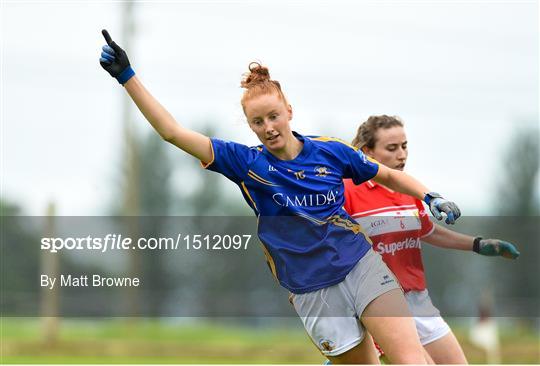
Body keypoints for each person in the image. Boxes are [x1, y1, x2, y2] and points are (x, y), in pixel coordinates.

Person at [99, 30, 463, 364]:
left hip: (360, 265)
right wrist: (127, 77)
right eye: (258, 122)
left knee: (412, 361)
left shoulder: (330, 151)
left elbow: (387, 174)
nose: (269, 128)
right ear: (250, 125)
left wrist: (429, 195)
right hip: (311, 289)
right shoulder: (246, 163)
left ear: (288, 111)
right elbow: (172, 132)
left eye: (274, 116)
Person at [343, 115, 520, 364]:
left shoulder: (410, 190)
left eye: (404, 146)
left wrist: (478, 244)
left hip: (418, 301)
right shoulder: (348, 191)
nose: (401, 155)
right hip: (379, 305)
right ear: (367, 152)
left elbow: (429, 232)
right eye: (391, 148)